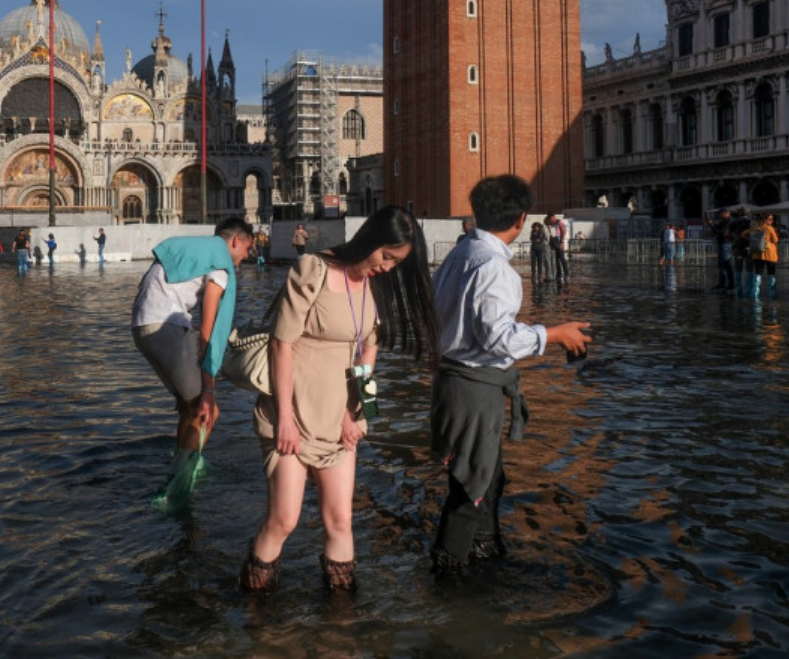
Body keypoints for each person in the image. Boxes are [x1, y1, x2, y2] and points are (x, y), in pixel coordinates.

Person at [240, 206, 441, 594]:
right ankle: (256, 613)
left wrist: (361, 413)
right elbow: (282, 344)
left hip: (339, 417)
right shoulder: (313, 270)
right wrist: (284, 418)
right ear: (370, 240)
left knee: (340, 521)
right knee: (284, 519)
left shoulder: (373, 284)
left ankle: (342, 625)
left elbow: (368, 351)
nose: (387, 267)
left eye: (396, 263)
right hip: (292, 412)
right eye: (386, 256)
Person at [429, 175, 590, 576]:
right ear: (521, 219)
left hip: (455, 381)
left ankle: (483, 550)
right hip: (474, 387)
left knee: (486, 477)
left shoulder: (459, 253)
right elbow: (498, 338)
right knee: (472, 486)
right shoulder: (495, 266)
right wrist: (554, 334)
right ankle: (450, 573)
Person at [132, 218, 255, 499]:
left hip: (142, 326)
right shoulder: (220, 264)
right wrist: (210, 388)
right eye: (248, 247)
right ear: (235, 241)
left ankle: (185, 461)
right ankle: (177, 487)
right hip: (166, 327)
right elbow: (208, 329)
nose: (247, 256)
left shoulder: (195, 250)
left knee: (190, 409)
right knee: (207, 412)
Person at [744, 212, 779, 299]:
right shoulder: (769, 228)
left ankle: (755, 294)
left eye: (772, 219)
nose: (772, 221)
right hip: (769, 255)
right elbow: (775, 240)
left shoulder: (755, 228)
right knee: (771, 274)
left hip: (757, 255)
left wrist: (750, 239)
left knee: (758, 274)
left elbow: (743, 234)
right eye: (770, 219)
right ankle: (772, 294)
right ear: (765, 220)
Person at [707, 209, 734, 291]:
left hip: (726, 243)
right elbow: (717, 230)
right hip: (722, 243)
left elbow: (721, 232)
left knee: (726, 264)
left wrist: (712, 225)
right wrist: (713, 225)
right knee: (721, 265)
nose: (720, 215)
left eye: (721, 213)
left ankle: (731, 284)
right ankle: (722, 283)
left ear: (726, 213)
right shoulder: (723, 221)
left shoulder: (729, 221)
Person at [731, 208, 754, 295]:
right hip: (749, 246)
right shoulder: (751, 222)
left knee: (738, 268)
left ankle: (738, 289)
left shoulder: (734, 222)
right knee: (750, 268)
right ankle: (749, 290)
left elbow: (728, 233)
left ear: (738, 213)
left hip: (738, 247)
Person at [546, 214, 569, 282]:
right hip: (553, 242)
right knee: (556, 259)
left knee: (562, 258)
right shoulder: (551, 224)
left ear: (553, 217)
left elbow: (563, 232)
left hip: (559, 241)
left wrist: (562, 242)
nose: (550, 220)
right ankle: (559, 274)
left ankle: (566, 274)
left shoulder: (560, 222)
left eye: (551, 219)